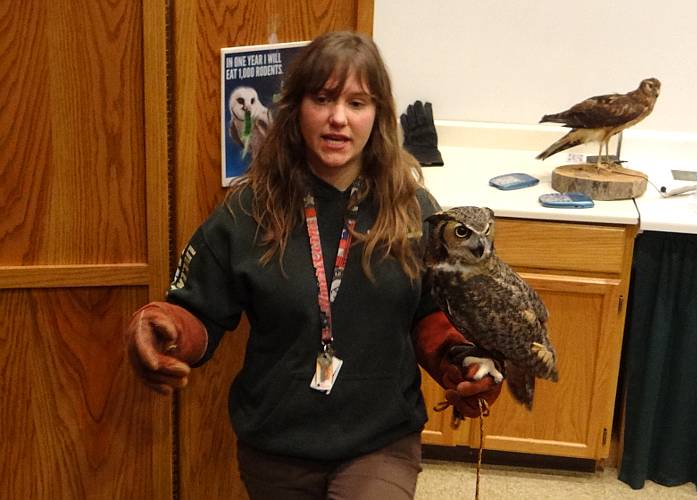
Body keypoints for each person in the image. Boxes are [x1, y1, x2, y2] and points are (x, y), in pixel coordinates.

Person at [126, 31, 502, 500]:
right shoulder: (248, 210)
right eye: (322, 98)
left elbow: (434, 311)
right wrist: (162, 327)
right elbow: (198, 310)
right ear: (296, 108)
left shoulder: (415, 210)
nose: (338, 118)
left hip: (380, 437)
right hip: (277, 439)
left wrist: (462, 361)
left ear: (378, 115)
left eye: (358, 102)